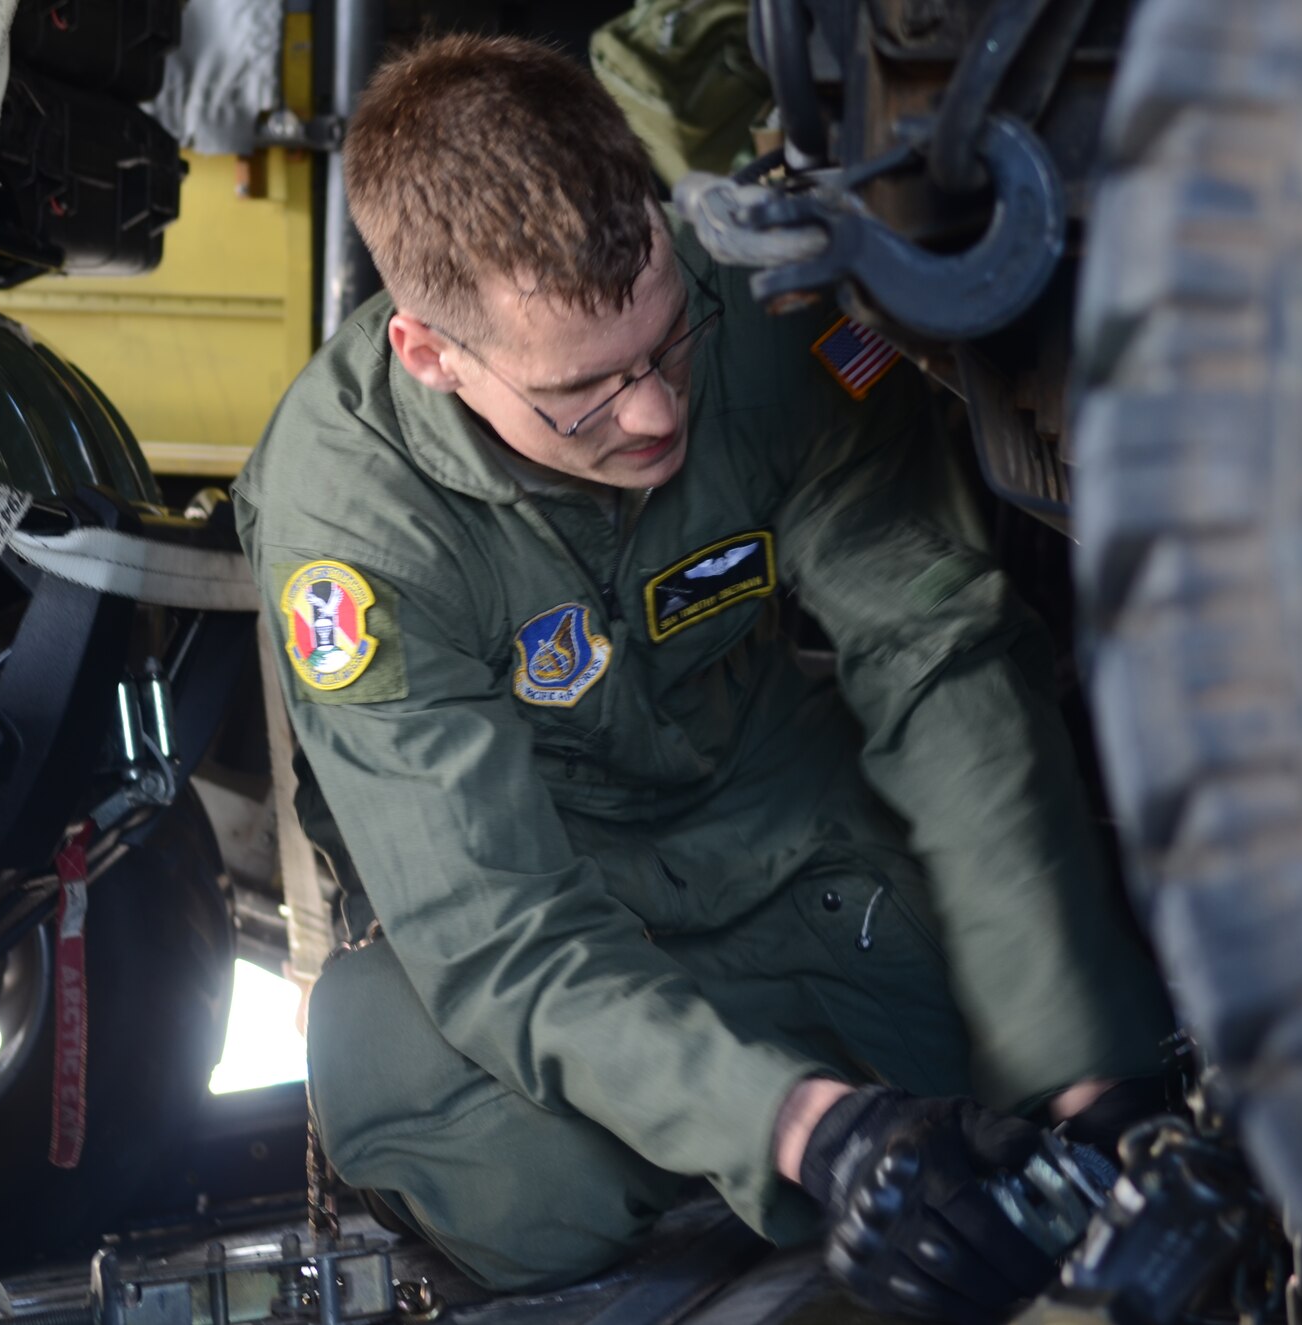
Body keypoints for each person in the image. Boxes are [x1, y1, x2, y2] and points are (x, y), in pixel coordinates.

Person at [234, 32, 1174, 1320]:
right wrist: (815, 1134)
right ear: (429, 354)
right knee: (479, 1144)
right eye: (582, 394)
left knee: (1042, 1043)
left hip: (792, 840)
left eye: (667, 344)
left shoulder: (765, 306)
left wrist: (1087, 1080)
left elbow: (938, 661)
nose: (656, 417)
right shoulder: (350, 525)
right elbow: (497, 927)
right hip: (553, 892)